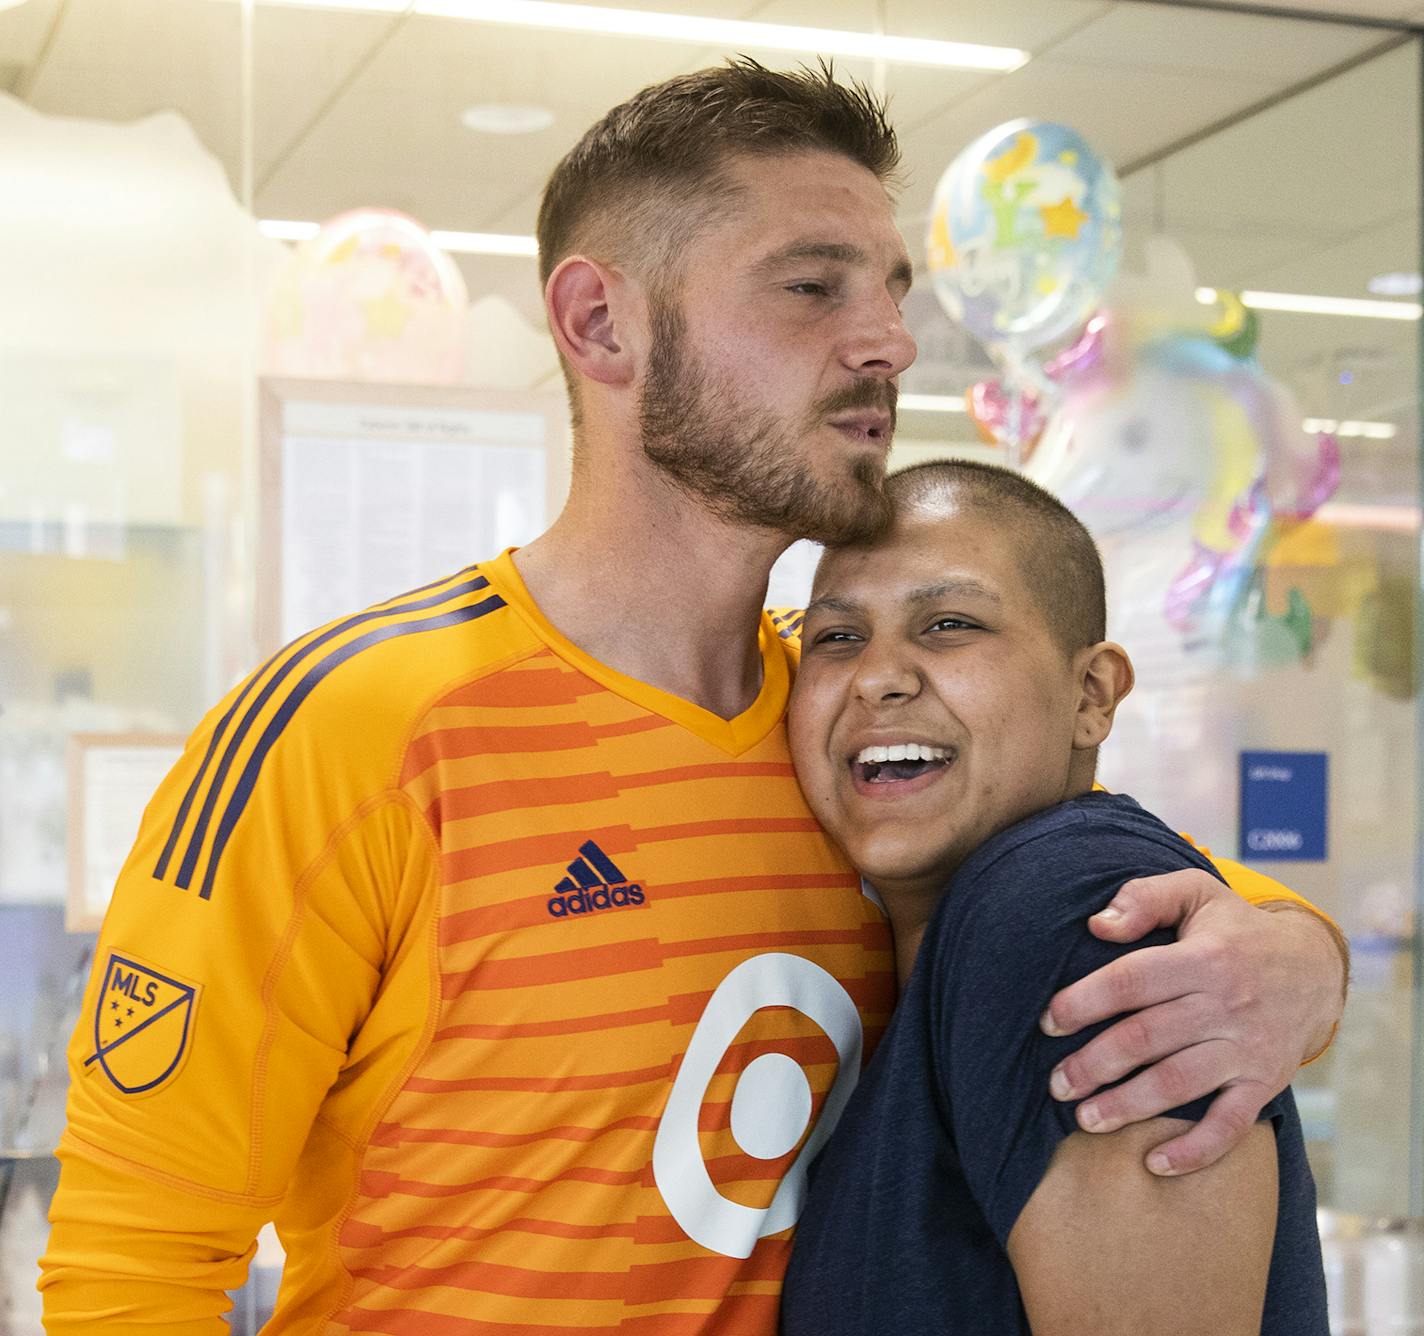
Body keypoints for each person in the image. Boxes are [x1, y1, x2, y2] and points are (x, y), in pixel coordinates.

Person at [40, 61, 1344, 1333]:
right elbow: (131, 1271)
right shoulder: (351, 728)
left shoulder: (856, 736)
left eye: (889, 290)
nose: (888, 339)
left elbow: (1107, 892)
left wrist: (1301, 960)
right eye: (811, 287)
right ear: (602, 324)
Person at [780, 458, 1329, 1335]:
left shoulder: (1068, 918)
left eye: (948, 624)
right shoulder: (975, 928)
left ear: (1091, 694)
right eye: (837, 637)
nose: (877, 676)